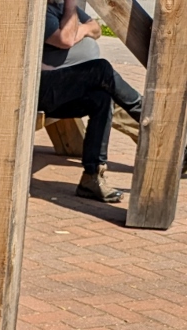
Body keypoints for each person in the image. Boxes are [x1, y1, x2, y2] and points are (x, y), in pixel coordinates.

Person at [37, 0, 144, 202]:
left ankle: (92, 176)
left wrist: (82, 27)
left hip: (69, 84)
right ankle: (146, 112)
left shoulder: (63, 9)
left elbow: (96, 29)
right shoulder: (42, 10)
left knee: (101, 99)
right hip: (43, 89)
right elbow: (66, 39)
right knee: (102, 70)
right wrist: (71, 9)